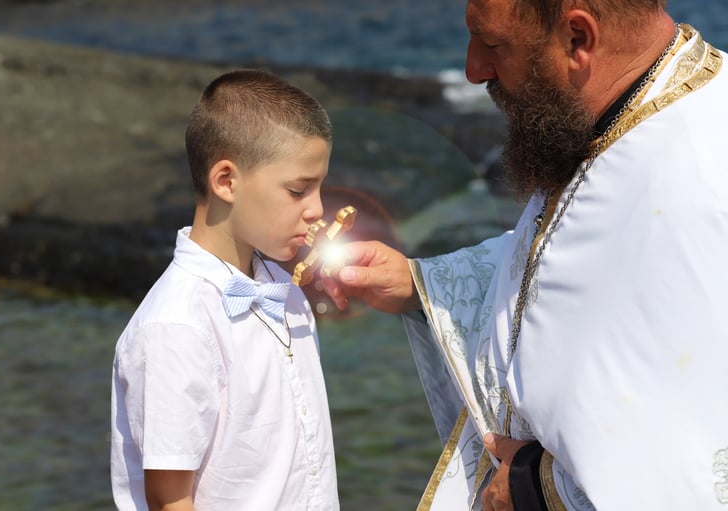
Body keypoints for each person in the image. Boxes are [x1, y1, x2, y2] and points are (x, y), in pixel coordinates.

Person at [323, 1, 728, 510]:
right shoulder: (617, 110)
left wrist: (538, 487)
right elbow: (568, 263)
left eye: (494, 45)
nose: (473, 69)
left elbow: (699, 458)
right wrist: (423, 286)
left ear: (577, 39)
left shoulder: (701, 185)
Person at [110, 69, 339, 510]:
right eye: (298, 190)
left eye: (319, 186)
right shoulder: (177, 326)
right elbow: (170, 500)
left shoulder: (283, 290)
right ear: (226, 181)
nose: (317, 208)